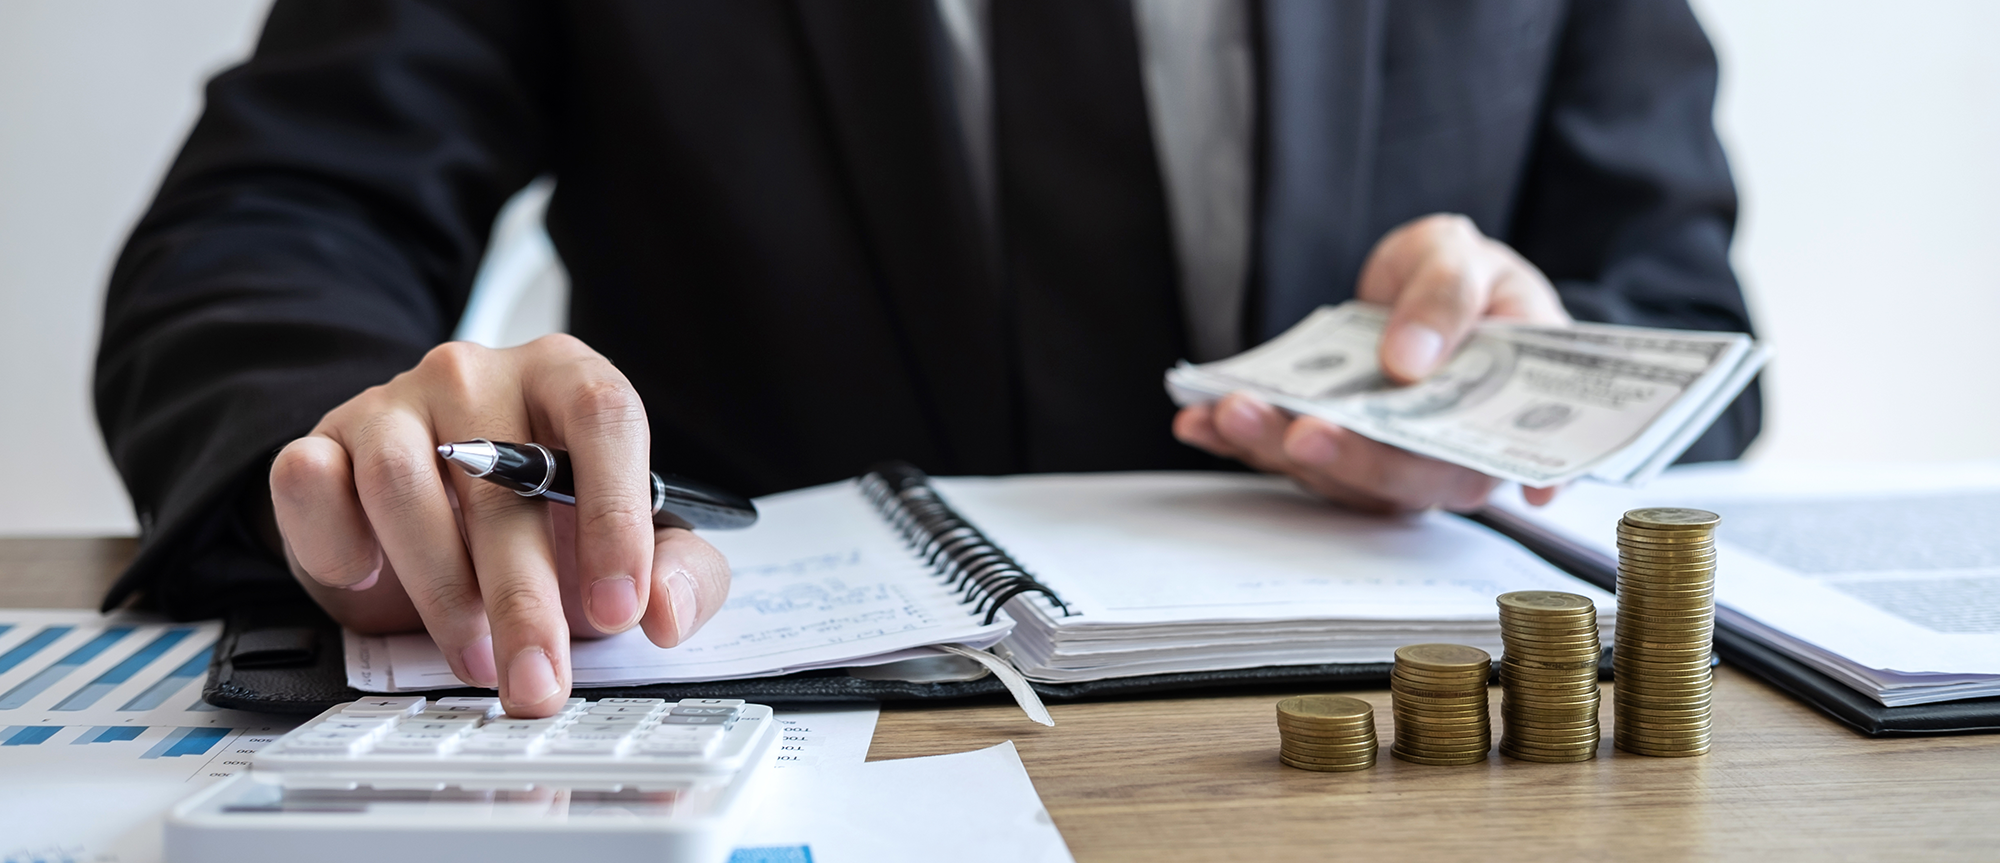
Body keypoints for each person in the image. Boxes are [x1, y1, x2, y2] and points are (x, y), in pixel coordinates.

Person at [94, 0, 1760, 717]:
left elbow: (1681, 292)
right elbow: (275, 221)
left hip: (1412, 753)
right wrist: (368, 461)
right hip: (769, 701)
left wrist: (1531, 377)